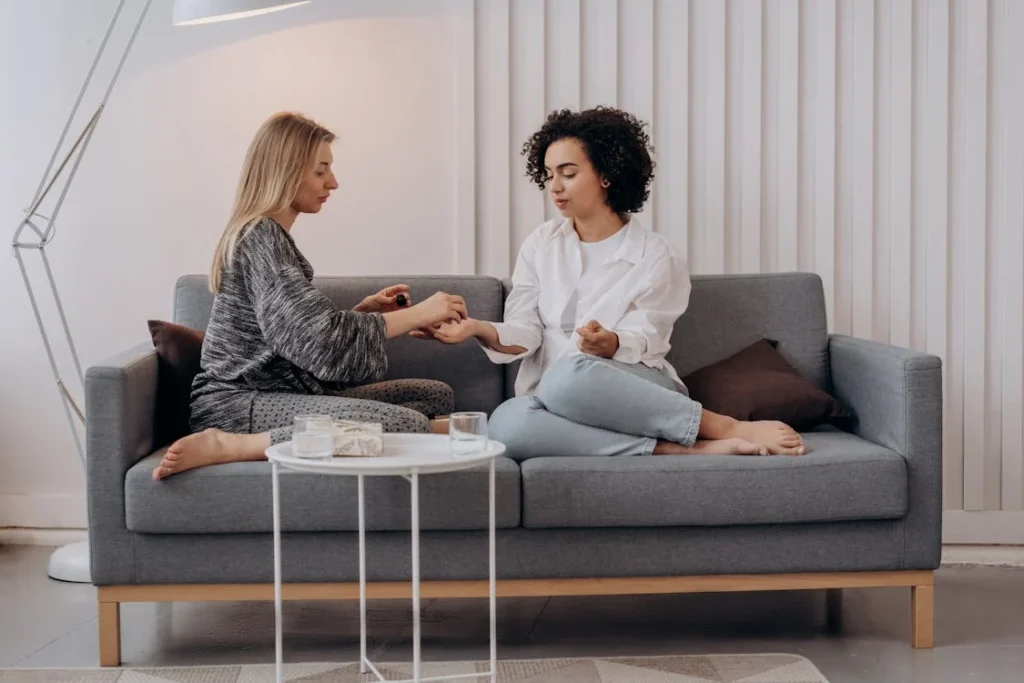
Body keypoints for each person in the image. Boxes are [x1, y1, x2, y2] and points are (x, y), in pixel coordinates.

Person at [417, 107, 807, 459]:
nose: (554, 186)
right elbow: (527, 332)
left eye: (568, 174)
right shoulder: (541, 244)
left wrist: (612, 343)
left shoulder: (657, 255)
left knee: (568, 375)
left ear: (606, 176)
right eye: (549, 174)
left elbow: (650, 337)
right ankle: (673, 451)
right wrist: (477, 329)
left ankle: (725, 426)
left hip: (627, 387)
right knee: (508, 422)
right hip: (554, 396)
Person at [153, 112, 467, 480]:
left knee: (436, 396)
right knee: (407, 425)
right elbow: (317, 338)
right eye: (321, 171)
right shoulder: (260, 238)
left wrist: (363, 311)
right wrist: (418, 314)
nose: (333, 182)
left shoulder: (268, 237)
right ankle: (233, 444)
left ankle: (438, 434)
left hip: (277, 394)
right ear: (286, 172)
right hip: (237, 405)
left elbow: (296, 333)